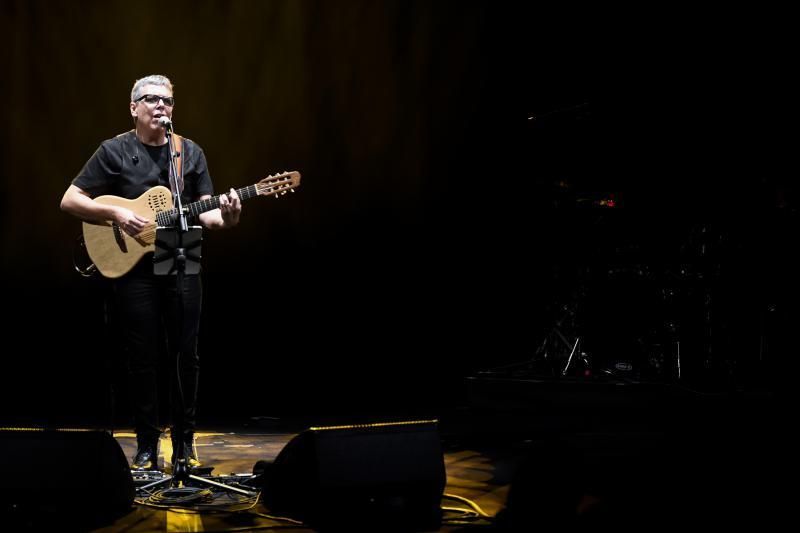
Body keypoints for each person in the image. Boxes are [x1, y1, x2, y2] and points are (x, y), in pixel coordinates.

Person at [60, 74, 242, 470]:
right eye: (153, 99)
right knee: (142, 356)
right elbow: (70, 199)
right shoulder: (114, 151)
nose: (162, 106)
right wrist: (116, 212)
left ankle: (184, 443)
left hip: (182, 249)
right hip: (134, 262)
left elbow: (207, 212)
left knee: (185, 354)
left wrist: (227, 216)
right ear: (134, 108)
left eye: (168, 101)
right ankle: (146, 442)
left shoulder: (188, 152)